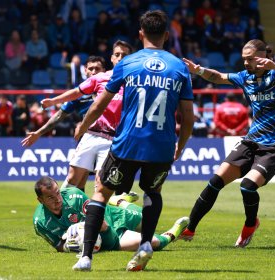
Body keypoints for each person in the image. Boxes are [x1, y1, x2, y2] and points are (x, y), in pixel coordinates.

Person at [72, 10, 194, 272]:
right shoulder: (180, 67)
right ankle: (146, 244)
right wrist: (180, 146)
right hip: (161, 145)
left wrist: (83, 126)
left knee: (101, 193)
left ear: (140, 34)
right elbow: (188, 116)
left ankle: (86, 257)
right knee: (153, 192)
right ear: (166, 35)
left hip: (127, 142)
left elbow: (99, 104)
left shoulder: (127, 63)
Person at [180, 39, 275, 248]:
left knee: (247, 186)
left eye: (250, 59)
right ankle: (190, 229)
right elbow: (218, 77)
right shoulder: (245, 77)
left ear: (264, 56)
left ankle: (250, 224)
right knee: (215, 181)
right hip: (252, 140)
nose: (245, 63)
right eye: (244, 59)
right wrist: (198, 70)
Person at [39, 41, 132, 193]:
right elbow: (76, 92)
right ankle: (63, 214)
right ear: (112, 58)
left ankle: (99, 214)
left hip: (115, 139)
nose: (120, 58)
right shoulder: (101, 78)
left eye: (124, 55)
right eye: (117, 54)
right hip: (91, 135)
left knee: (101, 185)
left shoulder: (136, 82)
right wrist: (54, 101)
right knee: (72, 180)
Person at [33, 176, 188, 254]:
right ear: (40, 200)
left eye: (58, 193)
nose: (58, 200)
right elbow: (58, 245)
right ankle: (173, 233)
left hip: (112, 216)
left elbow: (100, 220)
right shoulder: (40, 222)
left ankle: (118, 201)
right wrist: (70, 246)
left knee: (149, 217)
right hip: (110, 238)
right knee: (153, 242)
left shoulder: (75, 196)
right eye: (51, 198)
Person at [21, 55, 107, 191]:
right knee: (77, 182)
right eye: (91, 68)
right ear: (85, 71)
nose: (94, 71)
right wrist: (39, 132)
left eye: (98, 68)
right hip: (87, 137)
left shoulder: (113, 90)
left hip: (110, 137)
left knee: (102, 183)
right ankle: (77, 211)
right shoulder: (80, 93)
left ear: (105, 71)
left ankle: (100, 210)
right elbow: (60, 114)